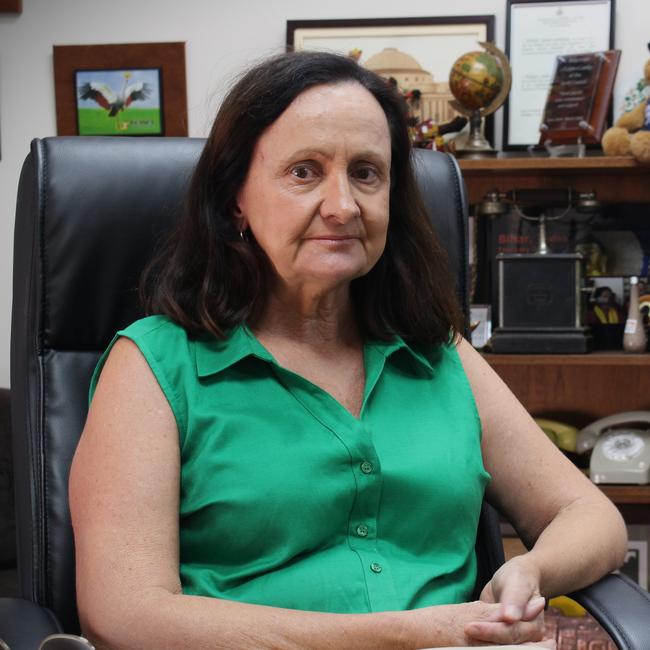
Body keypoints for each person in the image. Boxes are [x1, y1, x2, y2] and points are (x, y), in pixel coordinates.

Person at [69, 51, 627, 650]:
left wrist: (528, 572)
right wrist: (411, 636)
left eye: (366, 172)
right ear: (236, 197)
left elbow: (593, 519)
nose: (343, 206)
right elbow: (122, 612)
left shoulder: (437, 352)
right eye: (304, 172)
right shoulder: (157, 364)